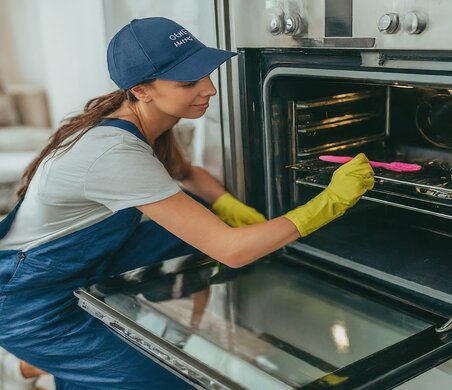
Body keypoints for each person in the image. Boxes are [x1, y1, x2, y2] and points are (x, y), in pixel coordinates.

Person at [0, 17, 374, 390]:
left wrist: (224, 202)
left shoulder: (140, 118)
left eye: (205, 73)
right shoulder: (113, 152)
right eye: (188, 82)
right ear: (141, 90)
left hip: (80, 265)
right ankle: (45, 363)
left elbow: (186, 171)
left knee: (196, 213)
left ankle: (67, 363)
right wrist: (331, 202)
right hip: (31, 302)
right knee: (163, 379)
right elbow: (232, 251)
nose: (209, 88)